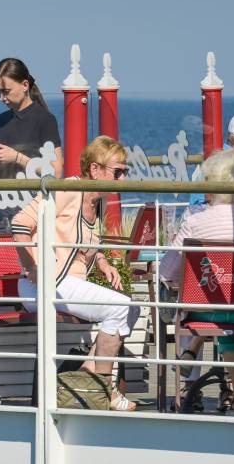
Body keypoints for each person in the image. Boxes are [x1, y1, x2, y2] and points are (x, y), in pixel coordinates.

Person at [11, 136, 141, 411]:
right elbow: (20, 225)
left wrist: (104, 265)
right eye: (117, 172)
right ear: (95, 170)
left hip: (66, 283)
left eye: (124, 172)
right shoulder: (69, 190)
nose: (122, 179)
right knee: (119, 306)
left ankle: (87, 374)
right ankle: (106, 390)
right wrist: (34, 267)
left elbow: (89, 246)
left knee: (132, 309)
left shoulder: (97, 203)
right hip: (44, 284)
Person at [159, 149, 234, 410]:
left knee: (193, 303)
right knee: (231, 322)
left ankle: (189, 381)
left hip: (203, 312)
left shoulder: (194, 222)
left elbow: (167, 272)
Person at [0, 58, 63, 178]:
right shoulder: (1, 120)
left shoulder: (45, 119)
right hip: (4, 194)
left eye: (6, 91)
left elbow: (56, 172)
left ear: (25, 85)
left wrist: (17, 157)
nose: (1, 98)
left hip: (35, 195)